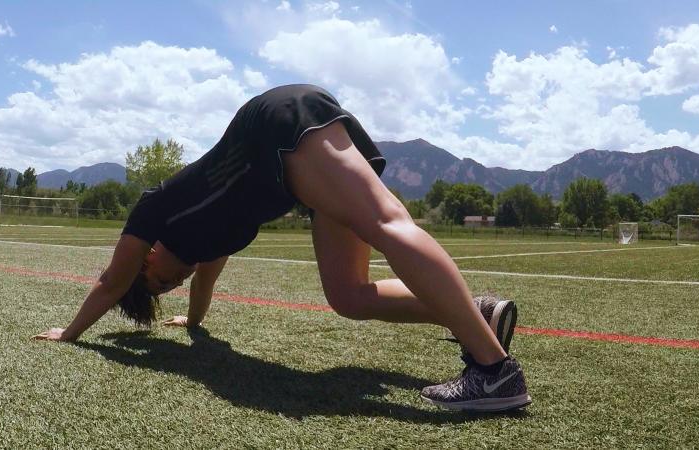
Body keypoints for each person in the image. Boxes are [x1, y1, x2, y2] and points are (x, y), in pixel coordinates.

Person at [33, 84, 531, 412]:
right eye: (171, 288)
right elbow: (204, 283)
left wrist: (71, 333)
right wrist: (193, 322)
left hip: (276, 128)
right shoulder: (206, 243)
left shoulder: (155, 209)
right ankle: (477, 315)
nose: (175, 282)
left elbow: (111, 282)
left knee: (385, 223)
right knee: (347, 295)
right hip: (294, 167)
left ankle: (493, 372)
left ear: (146, 256)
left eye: (161, 279)